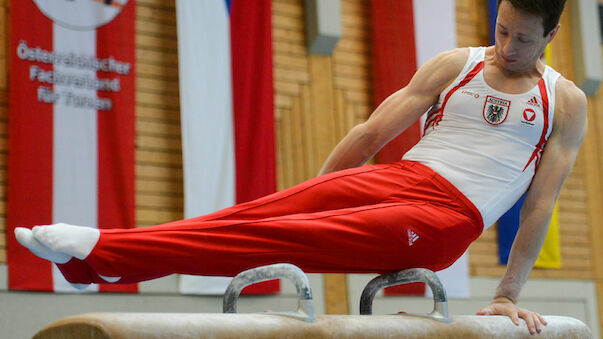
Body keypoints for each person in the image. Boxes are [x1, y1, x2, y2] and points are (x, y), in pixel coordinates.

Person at [15, 0, 585, 335]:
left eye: (524, 39)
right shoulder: (454, 65)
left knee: (279, 235)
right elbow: (369, 134)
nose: (508, 45)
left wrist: (508, 293)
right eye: (502, 29)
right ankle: (106, 257)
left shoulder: (563, 101)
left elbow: (541, 203)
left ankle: (108, 252)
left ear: (552, 36)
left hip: (445, 218)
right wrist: (322, 190)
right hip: (401, 178)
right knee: (262, 213)